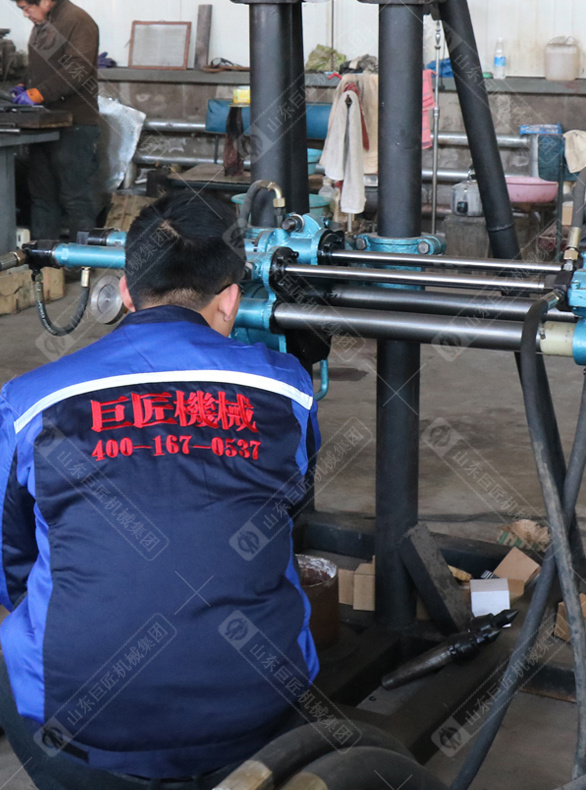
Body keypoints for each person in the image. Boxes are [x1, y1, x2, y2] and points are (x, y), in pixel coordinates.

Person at [0, 192, 320, 789]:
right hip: (257, 707)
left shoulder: (31, 401)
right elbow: (290, 507)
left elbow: (10, 555)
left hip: (81, 719)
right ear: (231, 299)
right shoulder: (287, 389)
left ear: (124, 290)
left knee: (21, 639)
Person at [10, 0, 100, 241]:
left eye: (26, 7)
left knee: (75, 198)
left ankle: (84, 260)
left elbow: (78, 69)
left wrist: (39, 94)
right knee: (42, 198)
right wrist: (25, 85)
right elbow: (41, 67)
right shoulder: (42, 25)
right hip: (44, 125)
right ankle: (43, 259)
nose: (26, 14)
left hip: (75, 124)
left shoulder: (77, 20)